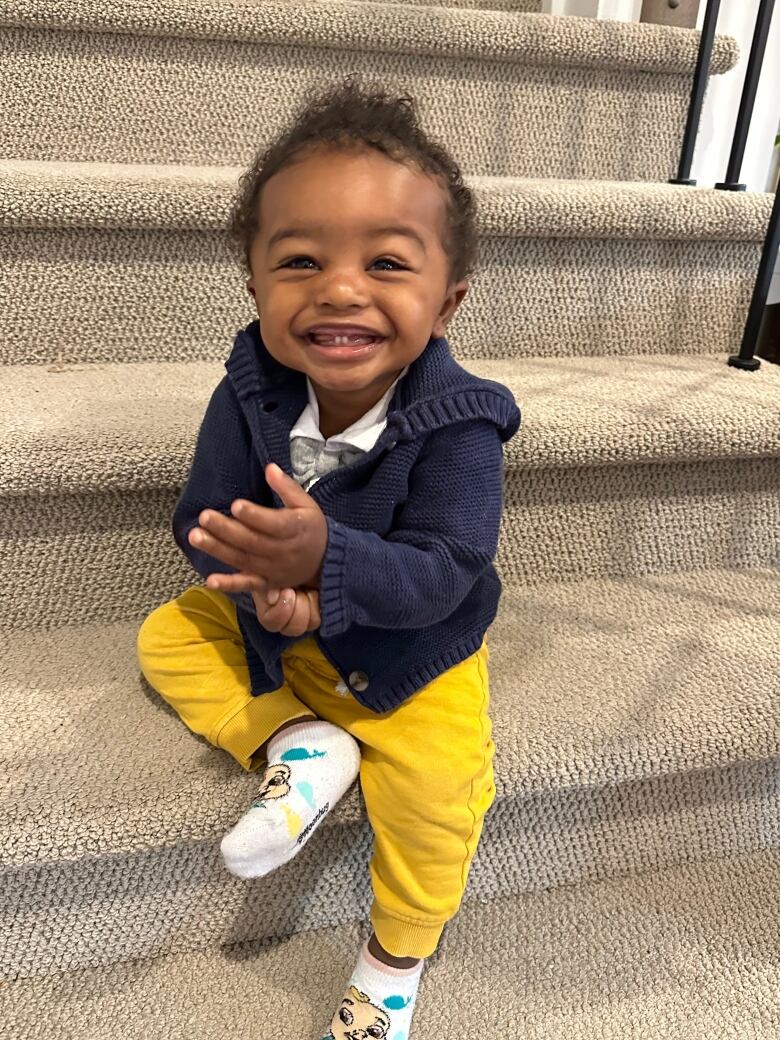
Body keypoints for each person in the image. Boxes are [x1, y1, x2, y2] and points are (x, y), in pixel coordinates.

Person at [137, 75, 521, 1039]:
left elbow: (447, 565)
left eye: (388, 264)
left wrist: (326, 562)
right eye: (301, 260)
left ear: (447, 302)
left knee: (438, 795)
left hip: (410, 647)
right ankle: (297, 745)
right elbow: (203, 516)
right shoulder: (248, 392)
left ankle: (393, 966)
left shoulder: (463, 420)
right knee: (166, 637)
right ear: (257, 286)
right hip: (281, 632)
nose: (341, 288)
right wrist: (261, 579)